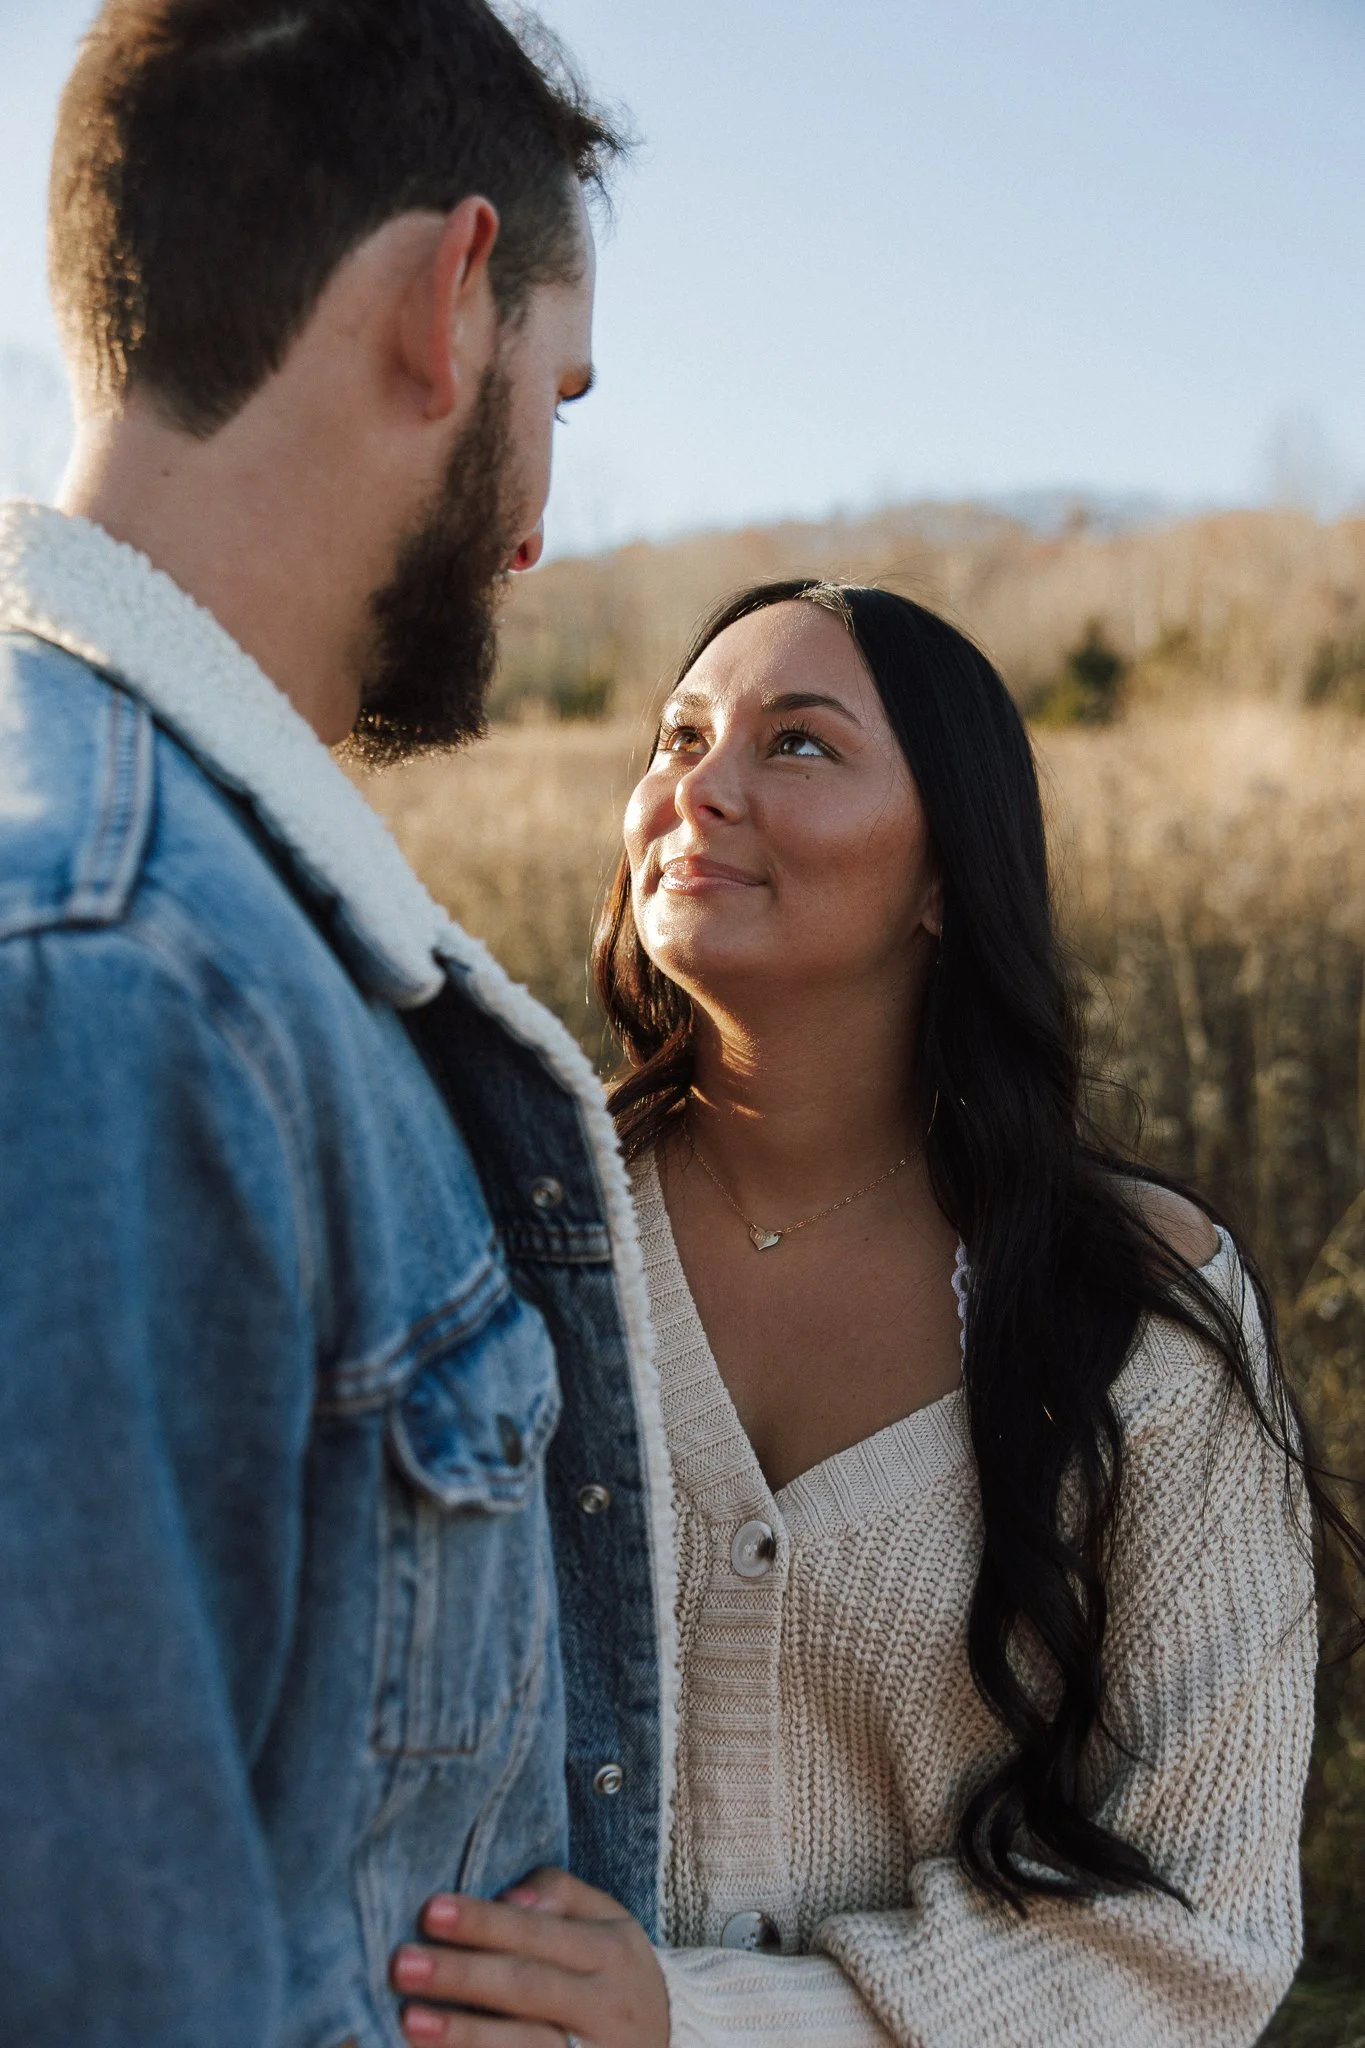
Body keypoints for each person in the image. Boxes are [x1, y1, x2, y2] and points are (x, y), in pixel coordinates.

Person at [394, 582, 1361, 2046]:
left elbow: (1199, 1934)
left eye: (796, 747)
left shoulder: (1134, 1315)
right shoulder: (498, 1233)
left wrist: (702, 2020)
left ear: (945, 876)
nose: (695, 791)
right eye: (679, 737)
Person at [0, 5, 677, 2044]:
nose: (539, 512)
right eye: (553, 387)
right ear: (441, 297)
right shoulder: (111, 966)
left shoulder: (178, 917)